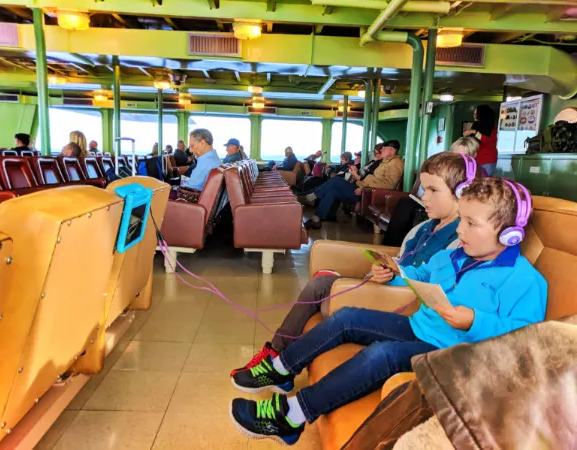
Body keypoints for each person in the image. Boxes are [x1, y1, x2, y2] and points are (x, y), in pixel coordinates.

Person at [229, 177, 547, 446]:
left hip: (456, 353)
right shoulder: (457, 256)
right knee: (347, 317)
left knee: (382, 355)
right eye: (461, 220)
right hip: (420, 327)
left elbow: (524, 340)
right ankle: (281, 367)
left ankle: (292, 415)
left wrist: (475, 321)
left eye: (471, 223)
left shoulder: (525, 280)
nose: (460, 231)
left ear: (510, 233)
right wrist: (396, 272)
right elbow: (421, 275)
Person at [231, 152, 480, 379]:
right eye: (424, 189)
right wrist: (385, 266)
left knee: (320, 285)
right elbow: (402, 256)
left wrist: (390, 276)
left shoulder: (460, 240)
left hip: (396, 296)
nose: (422, 197)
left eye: (432, 191)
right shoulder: (424, 226)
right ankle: (277, 352)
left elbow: (432, 287)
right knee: (323, 280)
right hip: (382, 280)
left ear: (461, 193)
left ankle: (276, 353)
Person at [382, 136, 481, 247]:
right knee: (405, 202)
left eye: (462, 156)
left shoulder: (475, 176)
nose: (456, 160)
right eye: (453, 155)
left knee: (406, 207)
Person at [303, 140, 403, 229]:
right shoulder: (385, 162)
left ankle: (312, 196)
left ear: (392, 151)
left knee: (336, 180)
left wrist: (364, 186)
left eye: (384, 149)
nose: (382, 151)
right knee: (331, 191)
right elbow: (374, 178)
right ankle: (316, 219)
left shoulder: (395, 164)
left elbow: (389, 185)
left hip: (366, 192)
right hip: (361, 187)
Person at [465, 105, 497, 175]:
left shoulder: (490, 126)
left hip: (487, 159)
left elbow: (484, 139)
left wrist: (473, 132)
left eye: (475, 113)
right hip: (476, 158)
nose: (474, 115)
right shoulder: (476, 124)